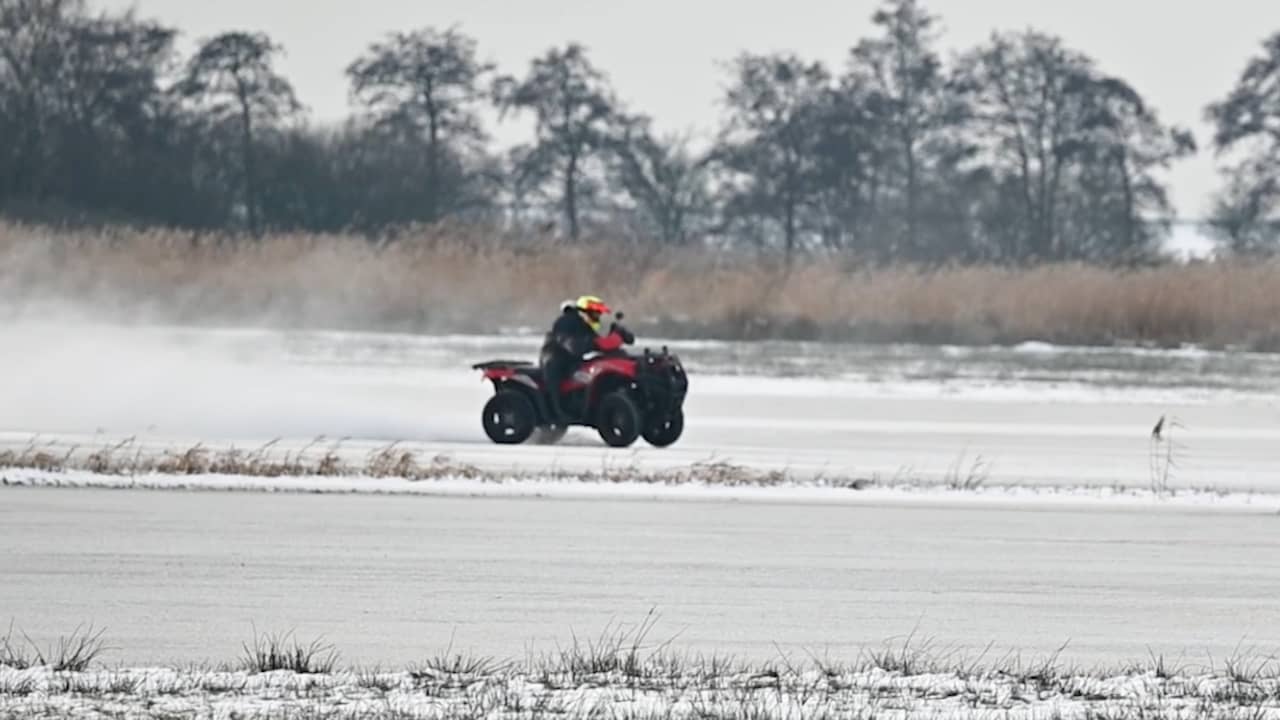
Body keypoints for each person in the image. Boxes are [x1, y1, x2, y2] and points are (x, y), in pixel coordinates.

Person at [539, 295, 625, 423]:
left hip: (571, 360)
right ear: (584, 312)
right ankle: (556, 412)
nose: (597, 318)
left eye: (598, 315)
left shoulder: (583, 324)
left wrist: (616, 336)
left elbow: (597, 342)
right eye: (595, 314)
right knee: (555, 381)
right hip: (554, 359)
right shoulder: (566, 321)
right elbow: (573, 345)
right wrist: (597, 343)